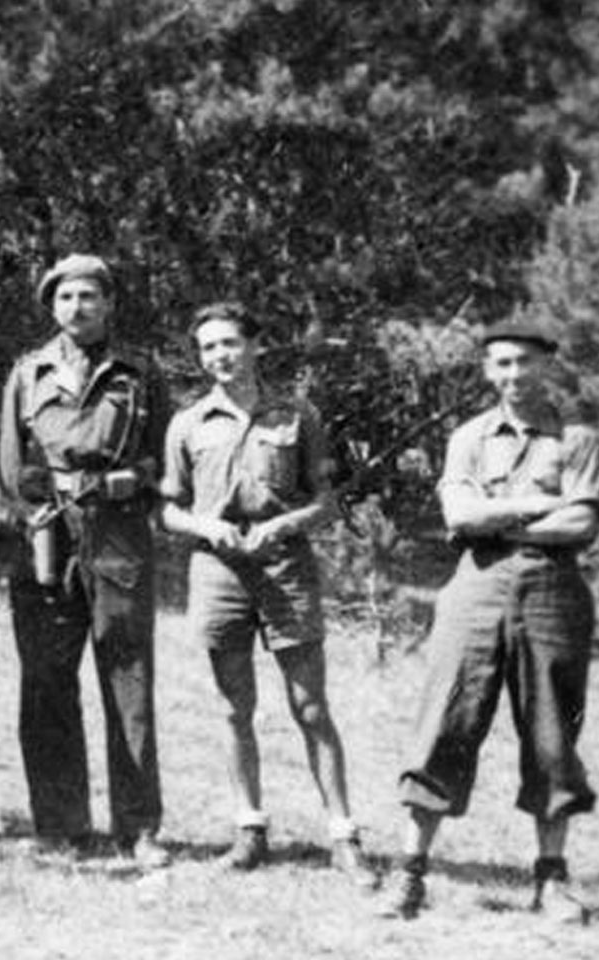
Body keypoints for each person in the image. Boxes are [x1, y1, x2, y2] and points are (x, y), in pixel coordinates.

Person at [377, 322, 599, 924]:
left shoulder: (577, 440)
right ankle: (410, 875)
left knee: (552, 735)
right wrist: (535, 506)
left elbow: (581, 525)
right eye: (501, 364)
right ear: (486, 371)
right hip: (475, 588)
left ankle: (551, 880)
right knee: (446, 721)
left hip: (553, 590)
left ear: (547, 366)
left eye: (525, 362)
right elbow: (458, 512)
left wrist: (497, 520)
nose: (513, 375)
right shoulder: (470, 437)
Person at [158, 302, 374, 885]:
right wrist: (207, 526)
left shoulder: (297, 416)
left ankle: (343, 835)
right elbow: (171, 510)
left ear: (255, 346)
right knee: (234, 707)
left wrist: (281, 526)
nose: (219, 357)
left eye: (229, 343)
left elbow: (327, 502)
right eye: (208, 348)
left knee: (310, 707)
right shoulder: (188, 423)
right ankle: (249, 828)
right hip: (219, 573)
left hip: (285, 569)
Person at [0, 253, 172, 867]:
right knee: (46, 678)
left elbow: (164, 461)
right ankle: (59, 823)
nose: (78, 307)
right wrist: (35, 511)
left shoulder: (141, 374)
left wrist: (134, 483)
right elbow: (11, 468)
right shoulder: (28, 373)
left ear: (109, 304)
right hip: (47, 536)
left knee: (128, 676)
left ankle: (139, 826)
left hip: (118, 534)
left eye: (90, 296)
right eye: (66, 297)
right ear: (51, 306)